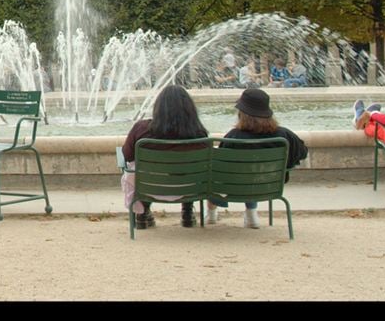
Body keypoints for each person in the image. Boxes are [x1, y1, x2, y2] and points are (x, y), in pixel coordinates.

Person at [205, 89, 308, 229]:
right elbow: (302, 153)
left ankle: (211, 213)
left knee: (212, 171)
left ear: (242, 113)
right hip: (269, 185)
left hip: (235, 187)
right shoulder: (284, 136)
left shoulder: (234, 136)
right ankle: (251, 213)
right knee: (252, 174)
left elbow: (222, 165)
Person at [121, 84, 209, 229]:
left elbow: (127, 156)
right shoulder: (199, 134)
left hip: (151, 186)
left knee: (137, 169)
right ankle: (187, 212)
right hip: (188, 187)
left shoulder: (142, 129)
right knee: (188, 170)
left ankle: (142, 214)